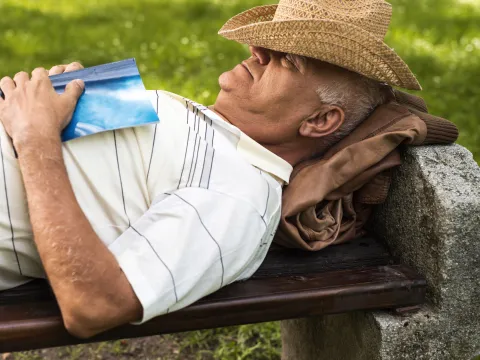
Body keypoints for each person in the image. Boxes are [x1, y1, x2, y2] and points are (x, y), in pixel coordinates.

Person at [0, 0, 421, 338]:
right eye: (265, 44)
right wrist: (62, 97)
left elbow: (94, 306)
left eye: (288, 60)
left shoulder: (240, 192)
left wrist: (36, 138)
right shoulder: (213, 130)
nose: (257, 52)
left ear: (318, 121)